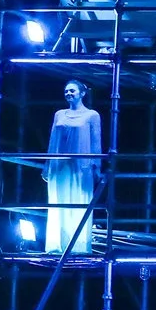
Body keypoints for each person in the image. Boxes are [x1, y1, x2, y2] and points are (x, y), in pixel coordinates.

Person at [43, 80, 104, 256]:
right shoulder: (59, 114)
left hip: (81, 167)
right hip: (59, 165)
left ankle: (78, 245)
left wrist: (97, 166)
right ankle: (57, 244)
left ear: (82, 93)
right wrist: (47, 164)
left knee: (79, 200)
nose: (68, 93)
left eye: (72, 91)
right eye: (66, 91)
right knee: (58, 200)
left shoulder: (92, 115)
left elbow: (96, 141)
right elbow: (52, 140)